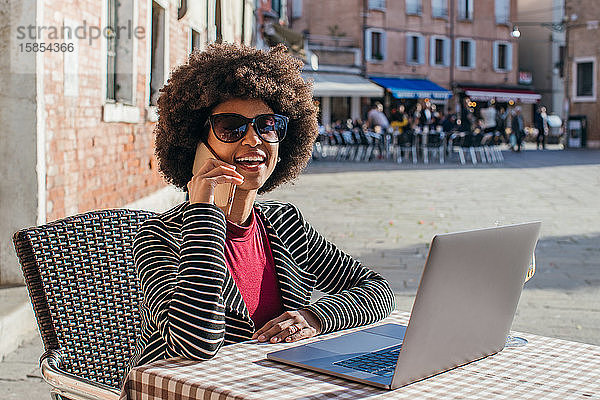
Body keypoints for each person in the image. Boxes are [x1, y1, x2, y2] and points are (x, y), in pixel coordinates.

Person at [128, 43, 395, 369]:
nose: (254, 139)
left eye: (268, 125)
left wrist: (314, 316)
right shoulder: (160, 236)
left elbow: (378, 290)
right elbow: (194, 343)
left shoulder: (286, 224)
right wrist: (202, 213)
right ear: (195, 144)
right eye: (230, 127)